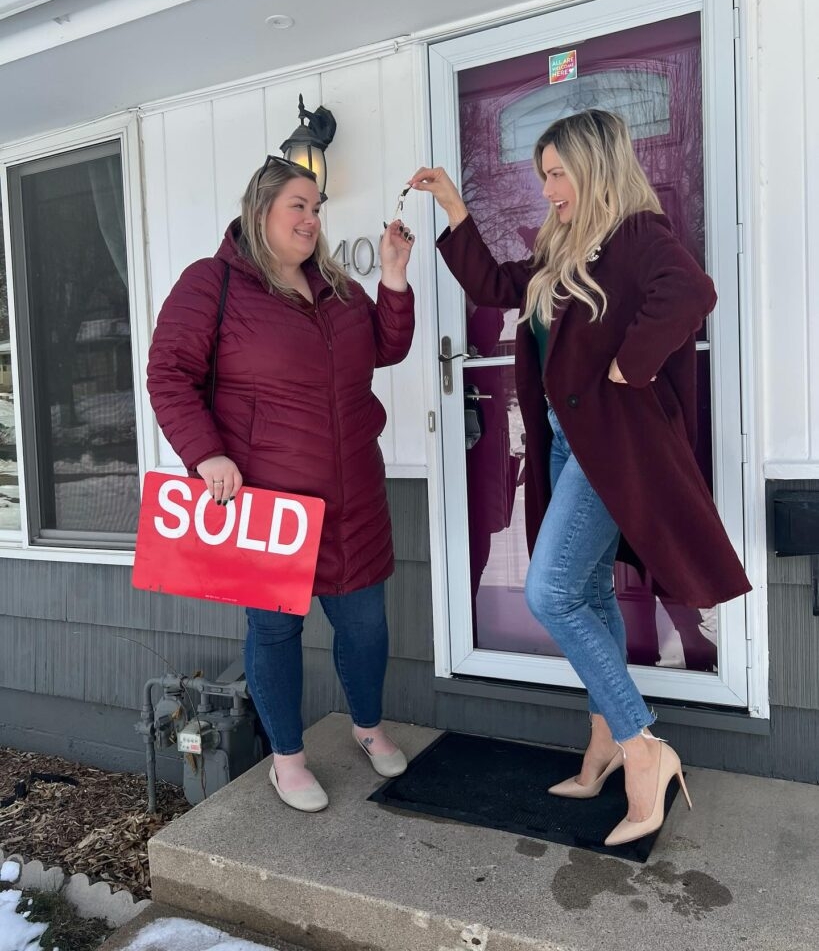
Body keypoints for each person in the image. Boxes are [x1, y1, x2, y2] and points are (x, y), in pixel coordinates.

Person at [409, 109, 751, 846]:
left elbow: (690, 292)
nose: (547, 189)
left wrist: (628, 364)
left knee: (549, 591)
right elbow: (497, 285)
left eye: (557, 173)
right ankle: (601, 746)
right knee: (585, 590)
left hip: (610, 446)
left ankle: (640, 748)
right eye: (541, 176)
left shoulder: (636, 236)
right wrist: (455, 210)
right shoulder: (561, 244)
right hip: (566, 445)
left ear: (596, 167)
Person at [147, 155, 416, 813]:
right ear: (259, 210)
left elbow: (388, 346)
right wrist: (205, 454)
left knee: (366, 629)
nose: (311, 217)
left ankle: (367, 727)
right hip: (270, 507)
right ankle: (288, 760)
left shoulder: (335, 286)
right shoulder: (212, 285)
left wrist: (391, 277)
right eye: (298, 204)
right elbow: (168, 374)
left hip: (353, 499)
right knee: (274, 634)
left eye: (317, 208)